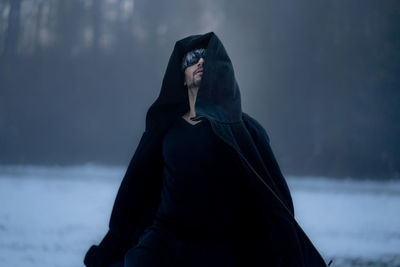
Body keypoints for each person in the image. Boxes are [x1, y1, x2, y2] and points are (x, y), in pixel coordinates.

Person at [84, 32, 328, 267]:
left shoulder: (244, 130)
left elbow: (273, 194)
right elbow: (137, 189)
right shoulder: (165, 129)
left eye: (204, 58)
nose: (199, 64)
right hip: (164, 240)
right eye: (191, 60)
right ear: (181, 74)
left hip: (219, 245)